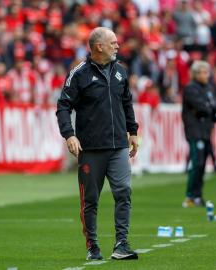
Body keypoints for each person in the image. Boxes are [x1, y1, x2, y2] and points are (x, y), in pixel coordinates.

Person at [56, 27, 139, 261]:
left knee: (123, 192)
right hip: (91, 149)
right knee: (90, 199)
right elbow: (63, 106)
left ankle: (121, 243)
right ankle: (92, 245)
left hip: (118, 148)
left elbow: (127, 103)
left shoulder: (120, 72)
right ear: (99, 46)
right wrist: (69, 135)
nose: (117, 45)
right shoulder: (79, 74)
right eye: (113, 42)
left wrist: (132, 131)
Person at [181, 60, 216, 208]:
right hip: (194, 130)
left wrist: (208, 106)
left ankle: (198, 195)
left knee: (202, 164)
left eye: (207, 72)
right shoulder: (190, 88)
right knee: (197, 162)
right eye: (203, 72)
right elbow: (202, 106)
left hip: (205, 130)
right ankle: (190, 196)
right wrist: (209, 106)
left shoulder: (209, 88)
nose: (206, 75)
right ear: (195, 74)